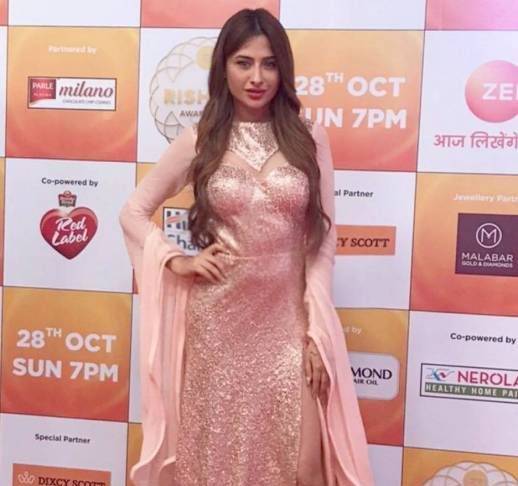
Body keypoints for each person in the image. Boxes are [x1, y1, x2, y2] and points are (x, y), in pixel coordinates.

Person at [120, 8, 373, 486]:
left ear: (283, 69)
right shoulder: (201, 140)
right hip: (217, 325)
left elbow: (322, 240)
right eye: (243, 62)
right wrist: (178, 260)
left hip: (288, 323)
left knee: (303, 468)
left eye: (269, 63)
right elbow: (133, 211)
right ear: (223, 67)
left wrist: (316, 329)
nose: (257, 77)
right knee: (216, 461)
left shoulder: (308, 137)